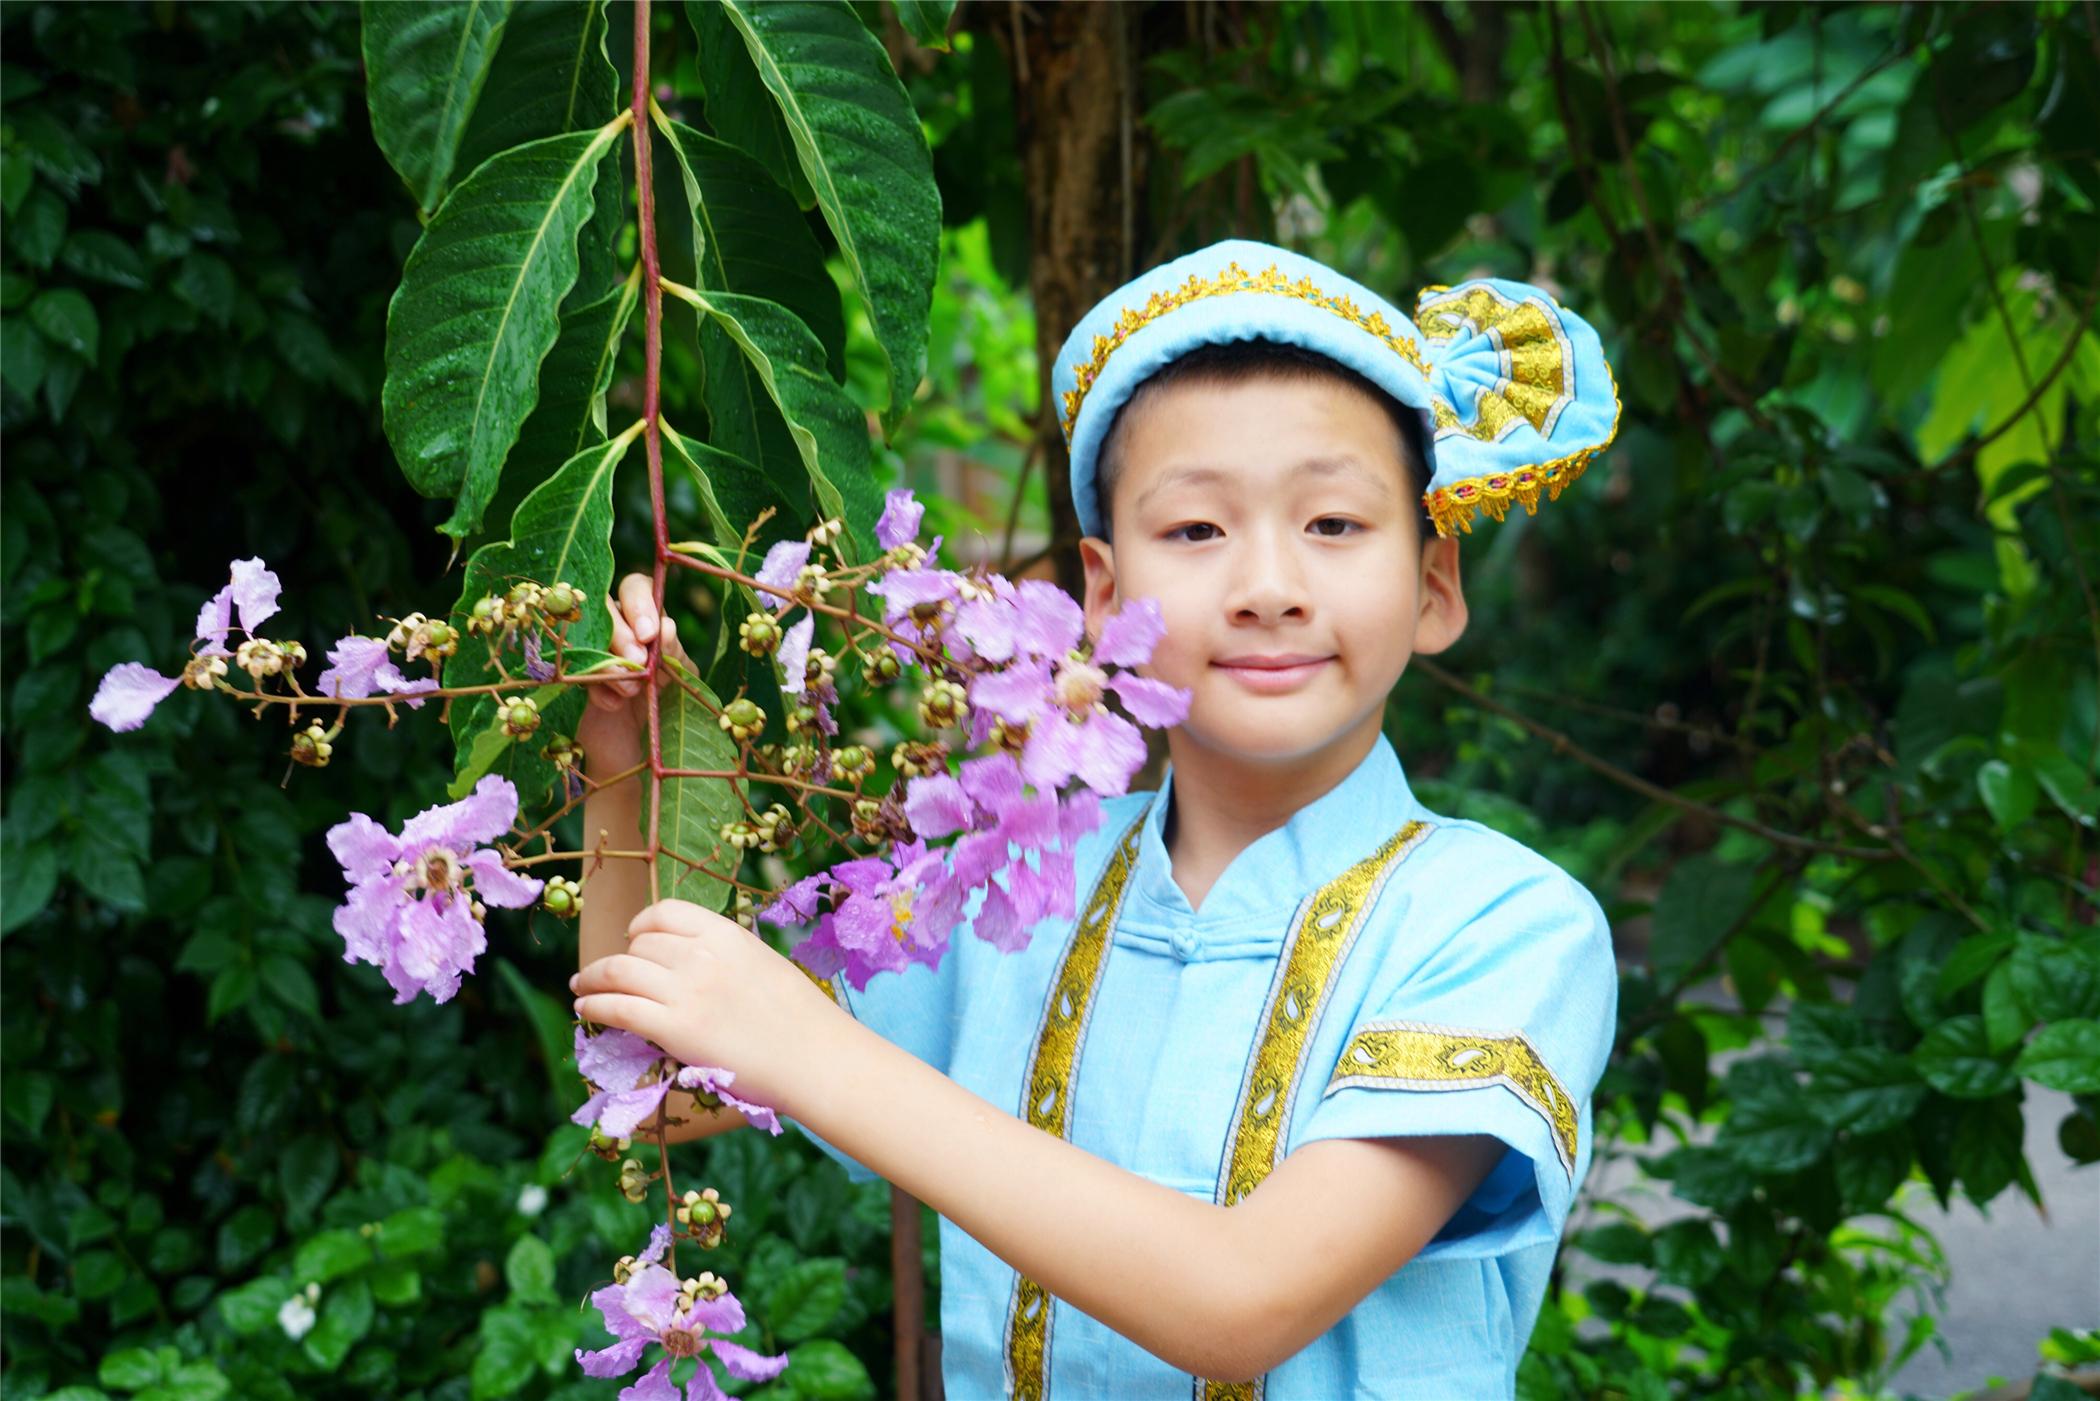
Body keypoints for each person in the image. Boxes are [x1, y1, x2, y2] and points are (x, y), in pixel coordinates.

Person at [570, 238, 1623, 1399]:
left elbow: (1243, 1304)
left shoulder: (1505, 925)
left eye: (1332, 524)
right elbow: (657, 1092)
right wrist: (628, 767)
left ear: (1434, 587)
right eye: (1196, 531)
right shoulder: (1013, 882)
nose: (1269, 583)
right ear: (1103, 595)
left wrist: (809, 1046)